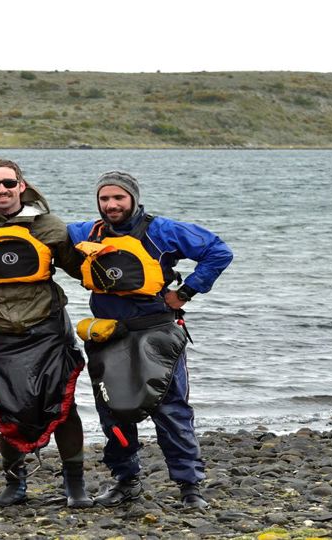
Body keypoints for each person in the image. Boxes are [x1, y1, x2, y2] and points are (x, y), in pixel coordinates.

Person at [66, 171, 233, 511]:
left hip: (157, 334)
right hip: (109, 335)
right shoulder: (85, 233)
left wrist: (186, 292)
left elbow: (218, 250)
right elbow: (44, 235)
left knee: (171, 410)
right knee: (114, 411)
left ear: (133, 199)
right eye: (104, 199)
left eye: (118, 198)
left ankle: (190, 487)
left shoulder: (162, 231)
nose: (111, 205)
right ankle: (126, 481)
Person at [0, 159, 92, 508]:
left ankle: (76, 486)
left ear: (21, 186)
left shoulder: (49, 226)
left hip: (48, 327)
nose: (2, 190)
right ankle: (14, 485)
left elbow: (83, 272)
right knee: (4, 408)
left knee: (63, 405)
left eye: (8, 183)